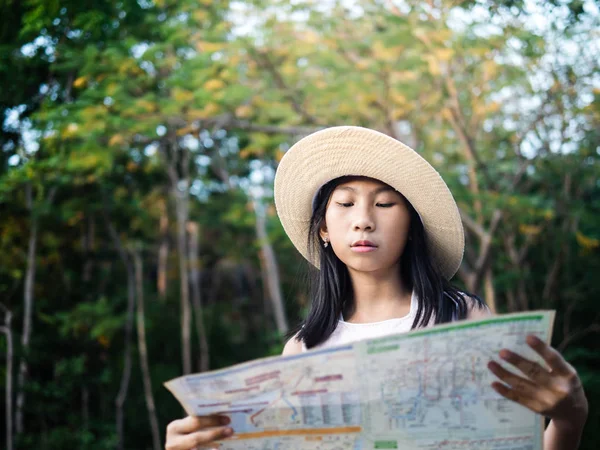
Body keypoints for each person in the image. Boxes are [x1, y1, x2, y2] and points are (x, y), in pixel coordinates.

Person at [165, 126, 588, 450]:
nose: (364, 219)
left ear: (411, 227)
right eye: (345, 204)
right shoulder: (301, 350)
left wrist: (569, 420)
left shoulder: (465, 319)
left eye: (385, 204)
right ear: (324, 230)